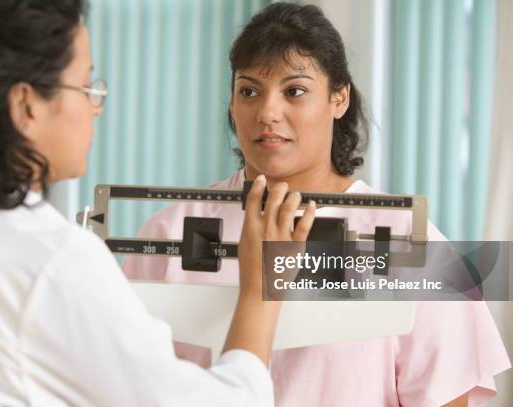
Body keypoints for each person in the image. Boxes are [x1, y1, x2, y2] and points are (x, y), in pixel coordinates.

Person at [0, 0, 318, 405]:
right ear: (25, 105)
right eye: (86, 85)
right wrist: (262, 290)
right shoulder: (51, 264)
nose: (95, 106)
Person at [123, 3, 511, 406]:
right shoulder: (168, 233)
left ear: (339, 98)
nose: (268, 112)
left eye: (295, 91)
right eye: (249, 91)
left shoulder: (409, 242)